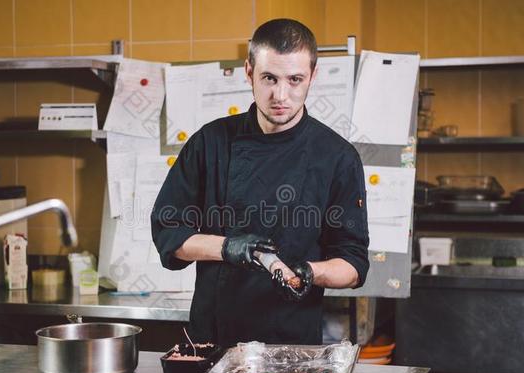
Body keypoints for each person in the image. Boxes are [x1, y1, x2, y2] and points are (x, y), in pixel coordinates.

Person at [151, 18, 369, 346]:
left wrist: (308, 272)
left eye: (295, 80)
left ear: (313, 76)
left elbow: (353, 263)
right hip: (212, 341)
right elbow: (169, 233)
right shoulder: (209, 143)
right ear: (249, 71)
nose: (280, 95)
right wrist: (228, 247)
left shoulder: (337, 157)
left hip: (292, 346)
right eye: (269, 78)